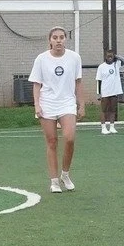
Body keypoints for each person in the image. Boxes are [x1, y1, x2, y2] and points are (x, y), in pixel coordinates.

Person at [30, 27, 84, 193]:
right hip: (47, 103)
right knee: (52, 141)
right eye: (55, 37)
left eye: (61, 37)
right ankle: (54, 181)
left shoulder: (74, 58)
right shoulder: (41, 59)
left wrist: (81, 105)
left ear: (65, 39)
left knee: (69, 138)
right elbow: (36, 84)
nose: (58, 40)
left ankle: (65, 174)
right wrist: (37, 105)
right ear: (50, 40)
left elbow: (78, 82)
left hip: (67, 102)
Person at [94, 49, 124, 134]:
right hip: (105, 92)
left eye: (111, 56)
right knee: (104, 110)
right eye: (108, 56)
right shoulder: (101, 66)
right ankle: (103, 127)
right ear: (105, 57)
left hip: (114, 91)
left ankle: (112, 127)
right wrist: (99, 93)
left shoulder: (116, 65)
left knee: (113, 110)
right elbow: (99, 80)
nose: (110, 58)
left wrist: (116, 56)